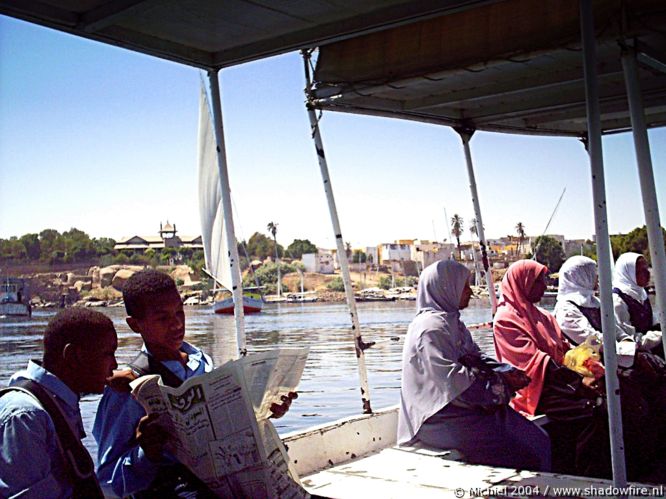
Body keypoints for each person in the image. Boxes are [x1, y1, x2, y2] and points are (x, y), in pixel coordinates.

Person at [93, 269, 296, 497]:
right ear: (135, 325)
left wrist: (267, 409)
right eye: (163, 318)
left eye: (180, 312)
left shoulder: (203, 363)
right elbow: (108, 481)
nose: (176, 324)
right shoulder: (126, 389)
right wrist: (145, 453)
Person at [494, 259, 655, 480]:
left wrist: (595, 370)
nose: (545, 285)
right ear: (524, 282)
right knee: (593, 409)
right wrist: (580, 382)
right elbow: (536, 363)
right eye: (540, 280)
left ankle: (631, 466)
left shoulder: (543, 316)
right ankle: (586, 475)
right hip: (536, 388)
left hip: (562, 381)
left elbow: (568, 351)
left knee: (623, 392)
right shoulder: (506, 320)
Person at [397, 259, 551, 472]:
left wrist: (507, 372)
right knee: (525, 452)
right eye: (464, 286)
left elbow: (475, 357)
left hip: (464, 408)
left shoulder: (452, 323)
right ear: (446, 287)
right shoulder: (431, 329)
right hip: (439, 416)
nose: (470, 292)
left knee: (538, 439)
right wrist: (500, 383)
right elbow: (452, 381)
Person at [0, 308, 118, 498]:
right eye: (108, 354)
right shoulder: (26, 416)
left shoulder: (56, 404)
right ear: (73, 356)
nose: (115, 365)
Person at [613, 252, 662, 354]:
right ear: (628, 273)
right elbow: (629, 339)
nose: (648, 274)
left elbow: (652, 323)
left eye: (647, 269)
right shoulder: (618, 301)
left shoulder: (641, 293)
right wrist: (660, 336)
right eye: (641, 271)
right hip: (637, 356)